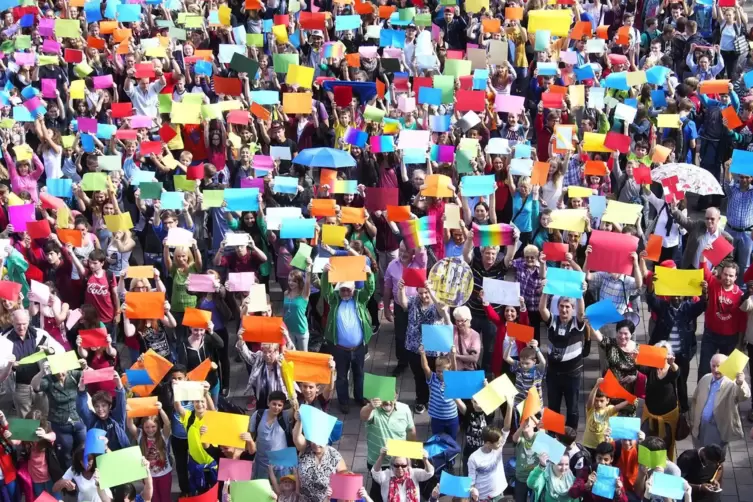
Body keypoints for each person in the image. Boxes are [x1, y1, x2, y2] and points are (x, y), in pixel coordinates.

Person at [321, 264, 376, 414]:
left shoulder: (359, 299)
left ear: (353, 290)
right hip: (339, 349)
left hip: (358, 347)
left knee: (359, 374)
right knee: (342, 377)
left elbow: (370, 290)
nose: (345, 292)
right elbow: (326, 290)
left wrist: (369, 275)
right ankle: (343, 401)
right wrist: (325, 275)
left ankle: (359, 398)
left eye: (348, 290)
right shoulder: (334, 300)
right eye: (342, 290)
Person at [538, 292, 587, 429]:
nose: (564, 309)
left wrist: (580, 294)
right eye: (561, 306)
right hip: (553, 374)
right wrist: (545, 292)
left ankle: (570, 436)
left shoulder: (577, 323)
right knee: (553, 407)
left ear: (573, 308)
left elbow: (582, 312)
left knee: (572, 408)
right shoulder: (553, 320)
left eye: (567, 307)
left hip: (572, 375)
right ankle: (553, 435)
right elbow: (542, 309)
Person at [360, 396, 417, 502]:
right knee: (378, 489)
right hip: (378, 462)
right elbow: (363, 416)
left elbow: (411, 431)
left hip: (399, 462)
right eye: (384, 398)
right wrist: (370, 406)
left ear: (396, 396)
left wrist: (411, 457)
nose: (387, 401)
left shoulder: (404, 409)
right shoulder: (373, 410)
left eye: (391, 397)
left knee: (400, 488)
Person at [690, 353, 750, 449]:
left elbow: (744, 396)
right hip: (700, 425)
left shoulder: (733, 383)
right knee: (699, 452)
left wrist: (741, 383)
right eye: (713, 366)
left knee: (713, 457)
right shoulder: (705, 378)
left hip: (717, 427)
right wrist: (693, 420)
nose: (716, 370)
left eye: (719, 366)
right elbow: (695, 400)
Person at [468, 404, 514, 502]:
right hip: (484, 498)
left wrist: (510, 406)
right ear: (488, 443)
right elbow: (471, 482)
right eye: (497, 443)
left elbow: (506, 427)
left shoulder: (498, 447)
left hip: (500, 494)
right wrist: (473, 491)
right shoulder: (474, 458)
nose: (500, 444)